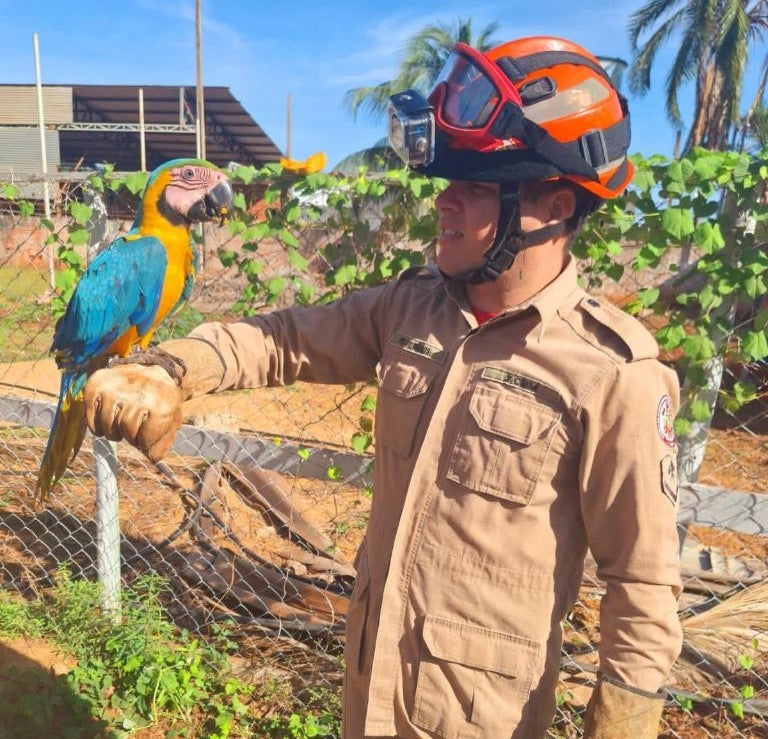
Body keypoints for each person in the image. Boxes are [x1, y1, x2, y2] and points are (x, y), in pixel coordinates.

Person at [83, 35, 682, 738]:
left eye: (475, 187)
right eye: (445, 184)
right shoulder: (412, 308)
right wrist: (170, 368)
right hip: (368, 699)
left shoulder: (614, 374)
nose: (444, 205)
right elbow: (285, 339)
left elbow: (641, 588)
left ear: (550, 203)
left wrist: (623, 721)